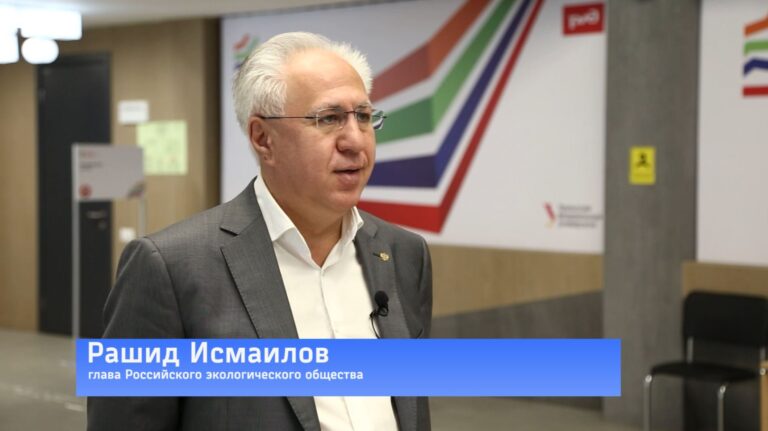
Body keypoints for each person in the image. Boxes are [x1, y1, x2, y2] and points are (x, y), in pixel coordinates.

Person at [87, 32, 433, 431]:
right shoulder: (169, 267)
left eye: (364, 116)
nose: (356, 140)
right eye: (329, 118)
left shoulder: (404, 253)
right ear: (263, 138)